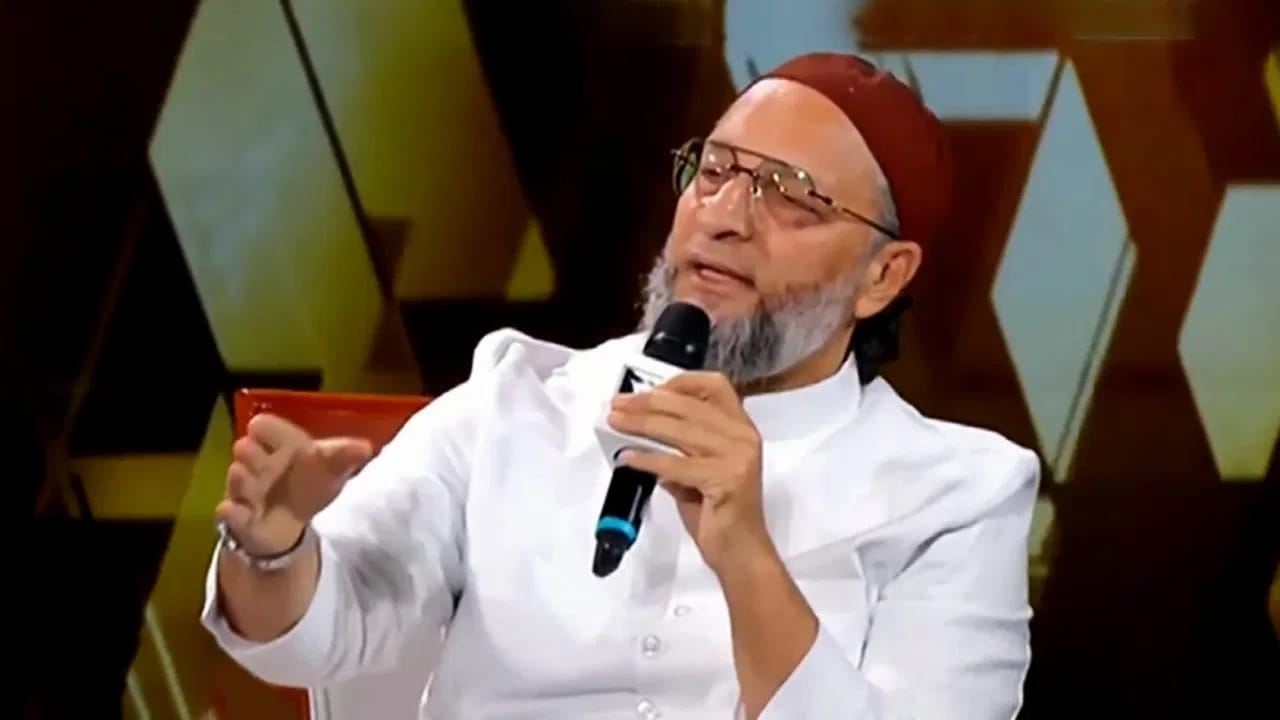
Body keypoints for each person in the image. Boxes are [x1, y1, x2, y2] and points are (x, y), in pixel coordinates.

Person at [203, 52, 1040, 719]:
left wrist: (745, 554)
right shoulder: (517, 399)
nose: (724, 216)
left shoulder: (958, 495)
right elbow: (321, 630)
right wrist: (270, 549)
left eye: (791, 196)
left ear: (883, 276)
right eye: (714, 171)